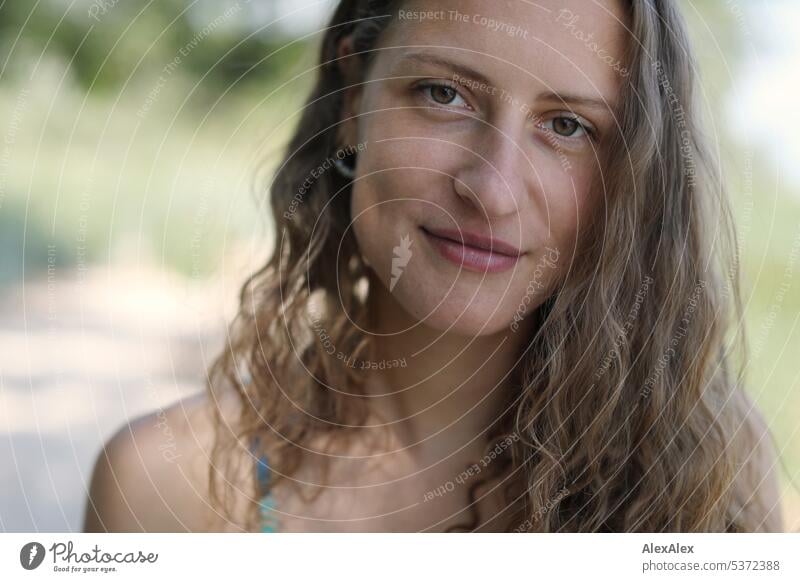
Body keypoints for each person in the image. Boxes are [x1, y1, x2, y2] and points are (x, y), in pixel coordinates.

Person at [83, 0, 783, 533]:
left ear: (632, 174)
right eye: (443, 95)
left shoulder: (705, 473)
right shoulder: (165, 485)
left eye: (567, 126)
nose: (493, 189)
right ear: (354, 97)